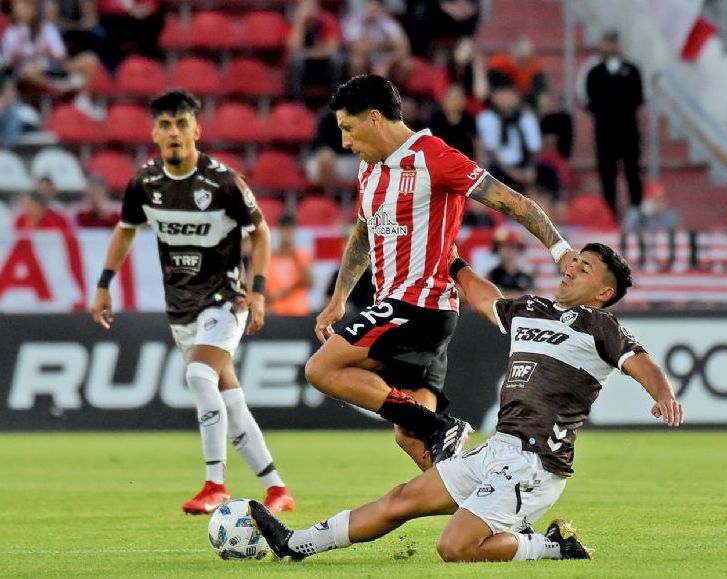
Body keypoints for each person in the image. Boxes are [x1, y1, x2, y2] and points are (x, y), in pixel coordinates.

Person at [248, 242, 683, 563]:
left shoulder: (600, 327)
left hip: (536, 464)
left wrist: (662, 395)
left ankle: (552, 547)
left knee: (453, 547)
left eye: (584, 269)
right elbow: (484, 297)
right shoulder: (532, 308)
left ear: (603, 293)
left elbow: (639, 363)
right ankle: (295, 544)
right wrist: (451, 260)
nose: (570, 270)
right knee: (401, 500)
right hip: (498, 448)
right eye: (574, 262)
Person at [308, 74, 574, 471]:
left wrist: (561, 249)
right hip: (406, 312)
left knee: (322, 369)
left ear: (375, 118)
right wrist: (338, 299)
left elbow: (513, 202)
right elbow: (363, 235)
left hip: (418, 307)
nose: (345, 142)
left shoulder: (435, 157)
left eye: (348, 128)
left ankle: (439, 425)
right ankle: (494, 523)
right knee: (417, 444)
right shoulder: (370, 170)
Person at [89, 89, 295, 515]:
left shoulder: (223, 183)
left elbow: (261, 233)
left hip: (226, 298)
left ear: (197, 130)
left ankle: (214, 483)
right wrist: (104, 283)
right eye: (165, 125)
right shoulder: (145, 183)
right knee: (230, 398)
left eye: (182, 124)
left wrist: (257, 290)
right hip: (180, 306)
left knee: (200, 377)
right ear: (154, 133)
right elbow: (125, 229)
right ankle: (277, 489)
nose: (174, 132)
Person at [585, 30, 645, 219]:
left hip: (628, 130)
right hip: (604, 131)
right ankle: (609, 211)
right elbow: (588, 99)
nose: (610, 47)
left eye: (614, 42)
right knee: (607, 171)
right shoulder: (594, 72)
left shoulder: (632, 69)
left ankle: (636, 208)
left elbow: (639, 97)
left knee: (632, 170)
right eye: (607, 42)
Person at [286, 0, 343, 101]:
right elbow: (293, 49)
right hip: (304, 70)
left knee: (337, 59)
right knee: (296, 59)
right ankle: (298, 102)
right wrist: (301, 24)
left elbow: (332, 48)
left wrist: (307, 53)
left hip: (324, 67)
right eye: (305, 6)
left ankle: (334, 100)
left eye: (311, 6)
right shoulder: (295, 23)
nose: (309, 10)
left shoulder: (327, 19)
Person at [266, 213, 313, 316]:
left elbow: (309, 282)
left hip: (298, 311)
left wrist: (294, 256)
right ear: (279, 230)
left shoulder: (302, 256)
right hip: (275, 312)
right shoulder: (269, 258)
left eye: (290, 230)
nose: (287, 234)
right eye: (284, 230)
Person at [488, 229, 534, 298]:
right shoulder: (492, 276)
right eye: (504, 246)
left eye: (512, 246)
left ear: (519, 249)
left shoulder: (526, 276)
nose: (508, 250)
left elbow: (535, 297)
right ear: (497, 249)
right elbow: (495, 298)